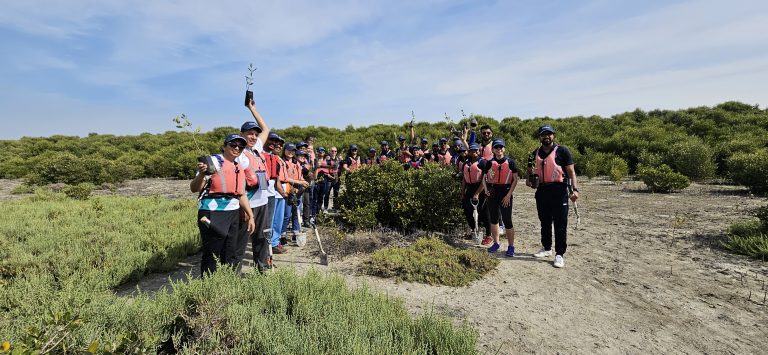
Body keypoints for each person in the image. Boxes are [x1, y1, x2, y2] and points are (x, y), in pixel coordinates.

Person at [190, 134, 255, 275]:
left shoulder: (238, 166)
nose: (237, 148)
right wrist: (201, 174)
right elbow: (194, 188)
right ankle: (208, 287)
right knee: (212, 253)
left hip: (233, 212)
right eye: (233, 145)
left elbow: (241, 194)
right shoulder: (213, 161)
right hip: (212, 211)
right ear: (225, 146)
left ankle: (226, 284)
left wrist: (251, 216)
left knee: (230, 252)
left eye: (240, 146)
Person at [528, 125, 579, 268]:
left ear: (553, 136)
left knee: (560, 224)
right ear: (540, 137)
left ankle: (559, 254)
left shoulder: (562, 151)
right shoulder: (533, 154)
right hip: (542, 191)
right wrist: (530, 179)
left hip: (559, 191)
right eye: (544, 134)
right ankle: (546, 248)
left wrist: (575, 190)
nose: (546, 136)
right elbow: (529, 175)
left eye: (549, 134)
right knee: (544, 222)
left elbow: (571, 172)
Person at [235, 100, 272, 272]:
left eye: (254, 134)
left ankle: (262, 269)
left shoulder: (257, 147)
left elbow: (266, 129)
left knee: (262, 238)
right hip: (248, 203)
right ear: (241, 135)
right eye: (249, 133)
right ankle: (233, 273)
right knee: (241, 241)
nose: (253, 137)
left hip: (262, 201)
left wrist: (252, 109)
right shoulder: (238, 154)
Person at [480, 139, 519, 257]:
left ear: (504, 148)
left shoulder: (511, 162)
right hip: (493, 192)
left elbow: (515, 179)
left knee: (507, 220)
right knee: (494, 219)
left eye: (501, 147)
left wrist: (508, 195)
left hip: (505, 192)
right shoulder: (489, 163)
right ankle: (496, 243)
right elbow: (484, 178)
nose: (499, 149)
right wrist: (486, 190)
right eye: (496, 147)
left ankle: (511, 246)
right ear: (493, 149)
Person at [263, 133, 289, 254]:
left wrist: (284, 194)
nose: (275, 143)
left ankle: (269, 248)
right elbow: (261, 176)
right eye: (272, 140)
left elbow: (276, 180)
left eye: (277, 142)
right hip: (262, 197)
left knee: (272, 223)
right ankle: (264, 249)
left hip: (272, 195)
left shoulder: (274, 159)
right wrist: (263, 191)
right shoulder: (260, 156)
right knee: (264, 225)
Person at [462, 143, 491, 243]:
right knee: (467, 210)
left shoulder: (483, 163)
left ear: (479, 151)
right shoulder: (466, 163)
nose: (474, 152)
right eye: (472, 150)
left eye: (476, 150)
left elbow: (485, 179)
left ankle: (488, 235)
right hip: (469, 188)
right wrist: (462, 192)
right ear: (469, 152)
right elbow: (464, 179)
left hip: (481, 187)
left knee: (484, 212)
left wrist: (477, 193)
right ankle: (474, 231)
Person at [281, 143, 309, 244]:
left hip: (297, 192)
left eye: (293, 151)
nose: (291, 152)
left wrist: (303, 182)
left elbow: (300, 177)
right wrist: (299, 182)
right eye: (289, 150)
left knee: (297, 214)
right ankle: (282, 235)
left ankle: (295, 234)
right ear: (284, 150)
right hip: (287, 191)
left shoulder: (296, 164)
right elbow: (285, 178)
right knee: (286, 215)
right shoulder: (282, 162)